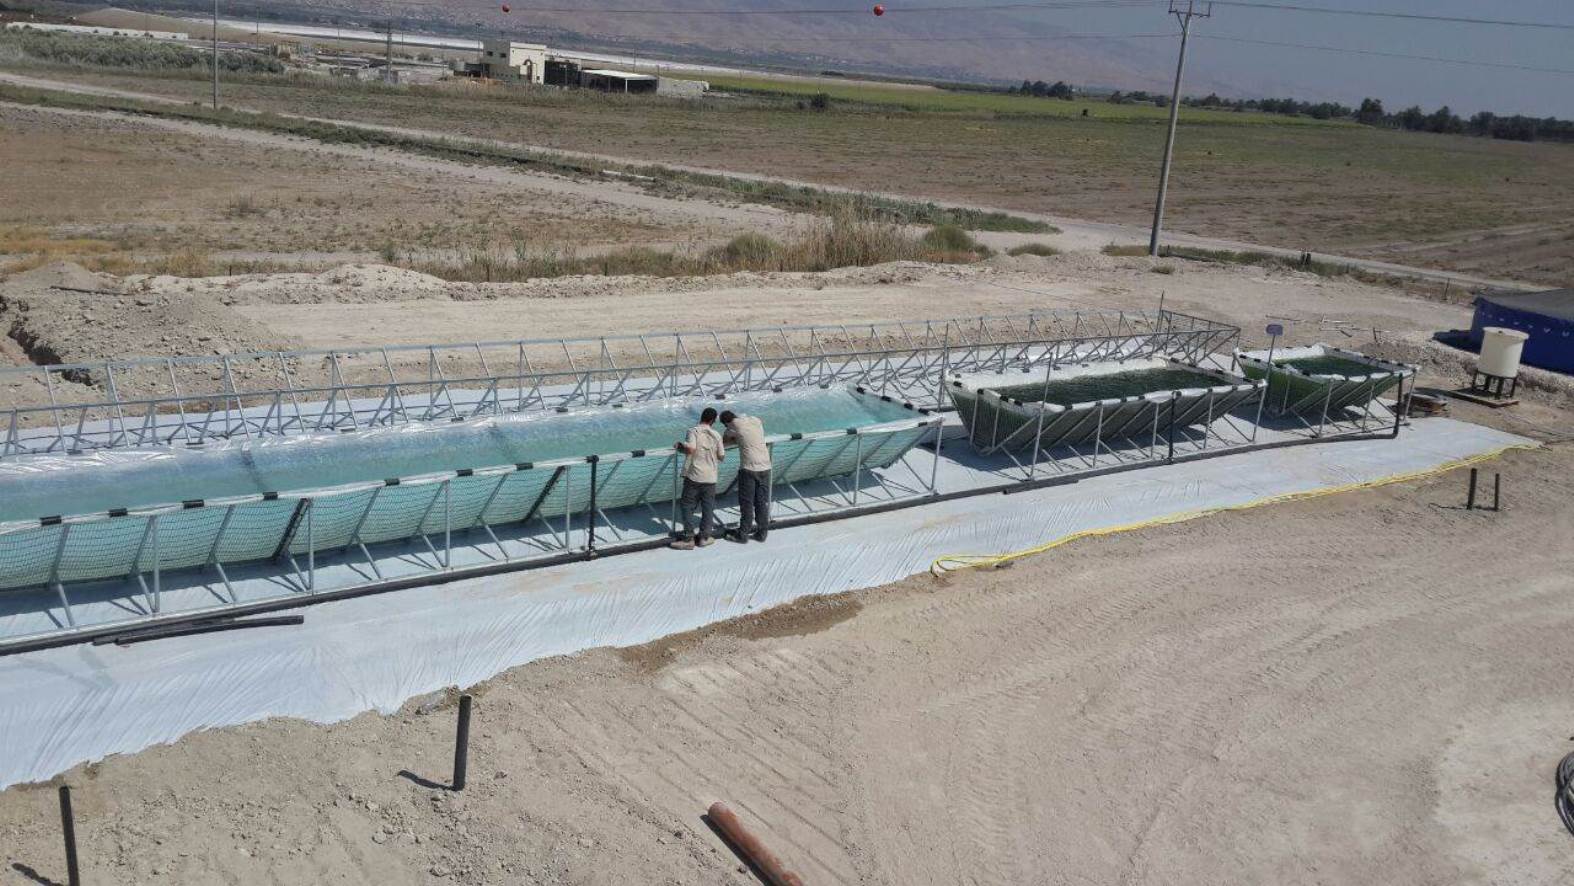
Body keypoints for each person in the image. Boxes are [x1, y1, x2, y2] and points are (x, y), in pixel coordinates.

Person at [670, 407, 725, 550]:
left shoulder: (693, 431)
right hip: (711, 477)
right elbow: (721, 456)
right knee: (708, 508)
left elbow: (691, 449)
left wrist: (680, 445)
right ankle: (704, 538)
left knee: (687, 506)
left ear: (701, 417)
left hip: (694, 476)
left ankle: (689, 538)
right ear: (713, 420)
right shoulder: (716, 435)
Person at [720, 410, 771, 543]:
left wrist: (732, 436)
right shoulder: (754, 420)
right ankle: (762, 533)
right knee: (761, 502)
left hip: (749, 468)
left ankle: (743, 534)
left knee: (746, 503)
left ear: (726, 423)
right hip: (765, 466)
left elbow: (723, 441)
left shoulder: (732, 426)